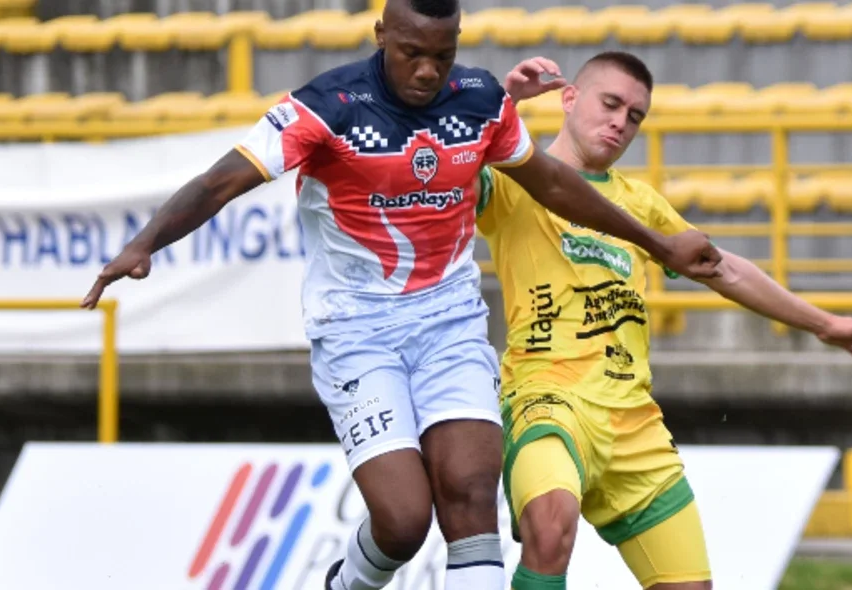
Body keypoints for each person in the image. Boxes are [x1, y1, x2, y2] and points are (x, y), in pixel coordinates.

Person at [79, 1, 724, 588]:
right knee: (404, 520)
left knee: (472, 497)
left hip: (450, 324)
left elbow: (552, 183)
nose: (426, 71)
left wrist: (655, 242)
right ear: (381, 34)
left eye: (441, 56)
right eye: (412, 53)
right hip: (357, 331)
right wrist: (144, 243)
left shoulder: (478, 102)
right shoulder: (326, 107)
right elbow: (221, 182)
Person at [475, 52, 852, 590]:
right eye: (611, 104)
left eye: (635, 116)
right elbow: (456, 158)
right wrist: (506, 102)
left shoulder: (640, 205)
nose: (620, 123)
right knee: (550, 528)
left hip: (633, 420)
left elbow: (725, 269)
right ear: (570, 98)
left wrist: (823, 324)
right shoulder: (514, 179)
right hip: (548, 400)